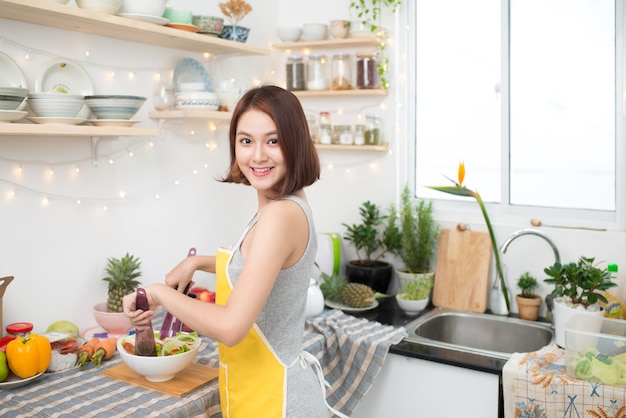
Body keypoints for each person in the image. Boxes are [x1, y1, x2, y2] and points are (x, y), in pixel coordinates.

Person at [123, 85, 346, 417]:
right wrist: (197, 262)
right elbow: (263, 265)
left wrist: (158, 293)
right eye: (246, 141)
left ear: (295, 143)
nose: (257, 155)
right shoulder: (286, 204)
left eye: (273, 140)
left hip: (276, 402)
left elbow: (231, 327)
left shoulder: (279, 215)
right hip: (262, 393)